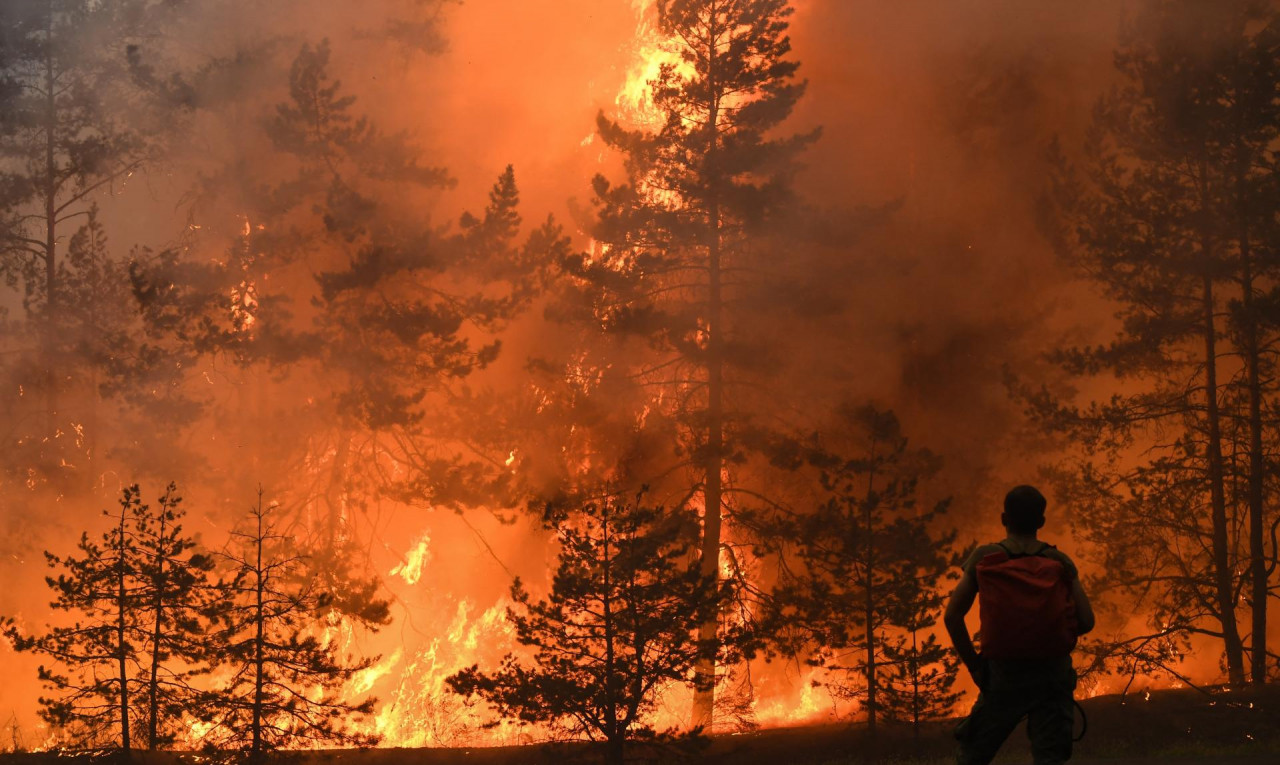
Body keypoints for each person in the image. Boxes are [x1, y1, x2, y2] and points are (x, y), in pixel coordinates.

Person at [944, 485, 1095, 765]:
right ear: (1041, 522)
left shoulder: (984, 558)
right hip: (1052, 676)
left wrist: (976, 667)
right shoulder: (1058, 561)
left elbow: (952, 618)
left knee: (973, 755)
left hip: (1002, 675)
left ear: (1004, 518)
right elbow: (1087, 621)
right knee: (1050, 758)